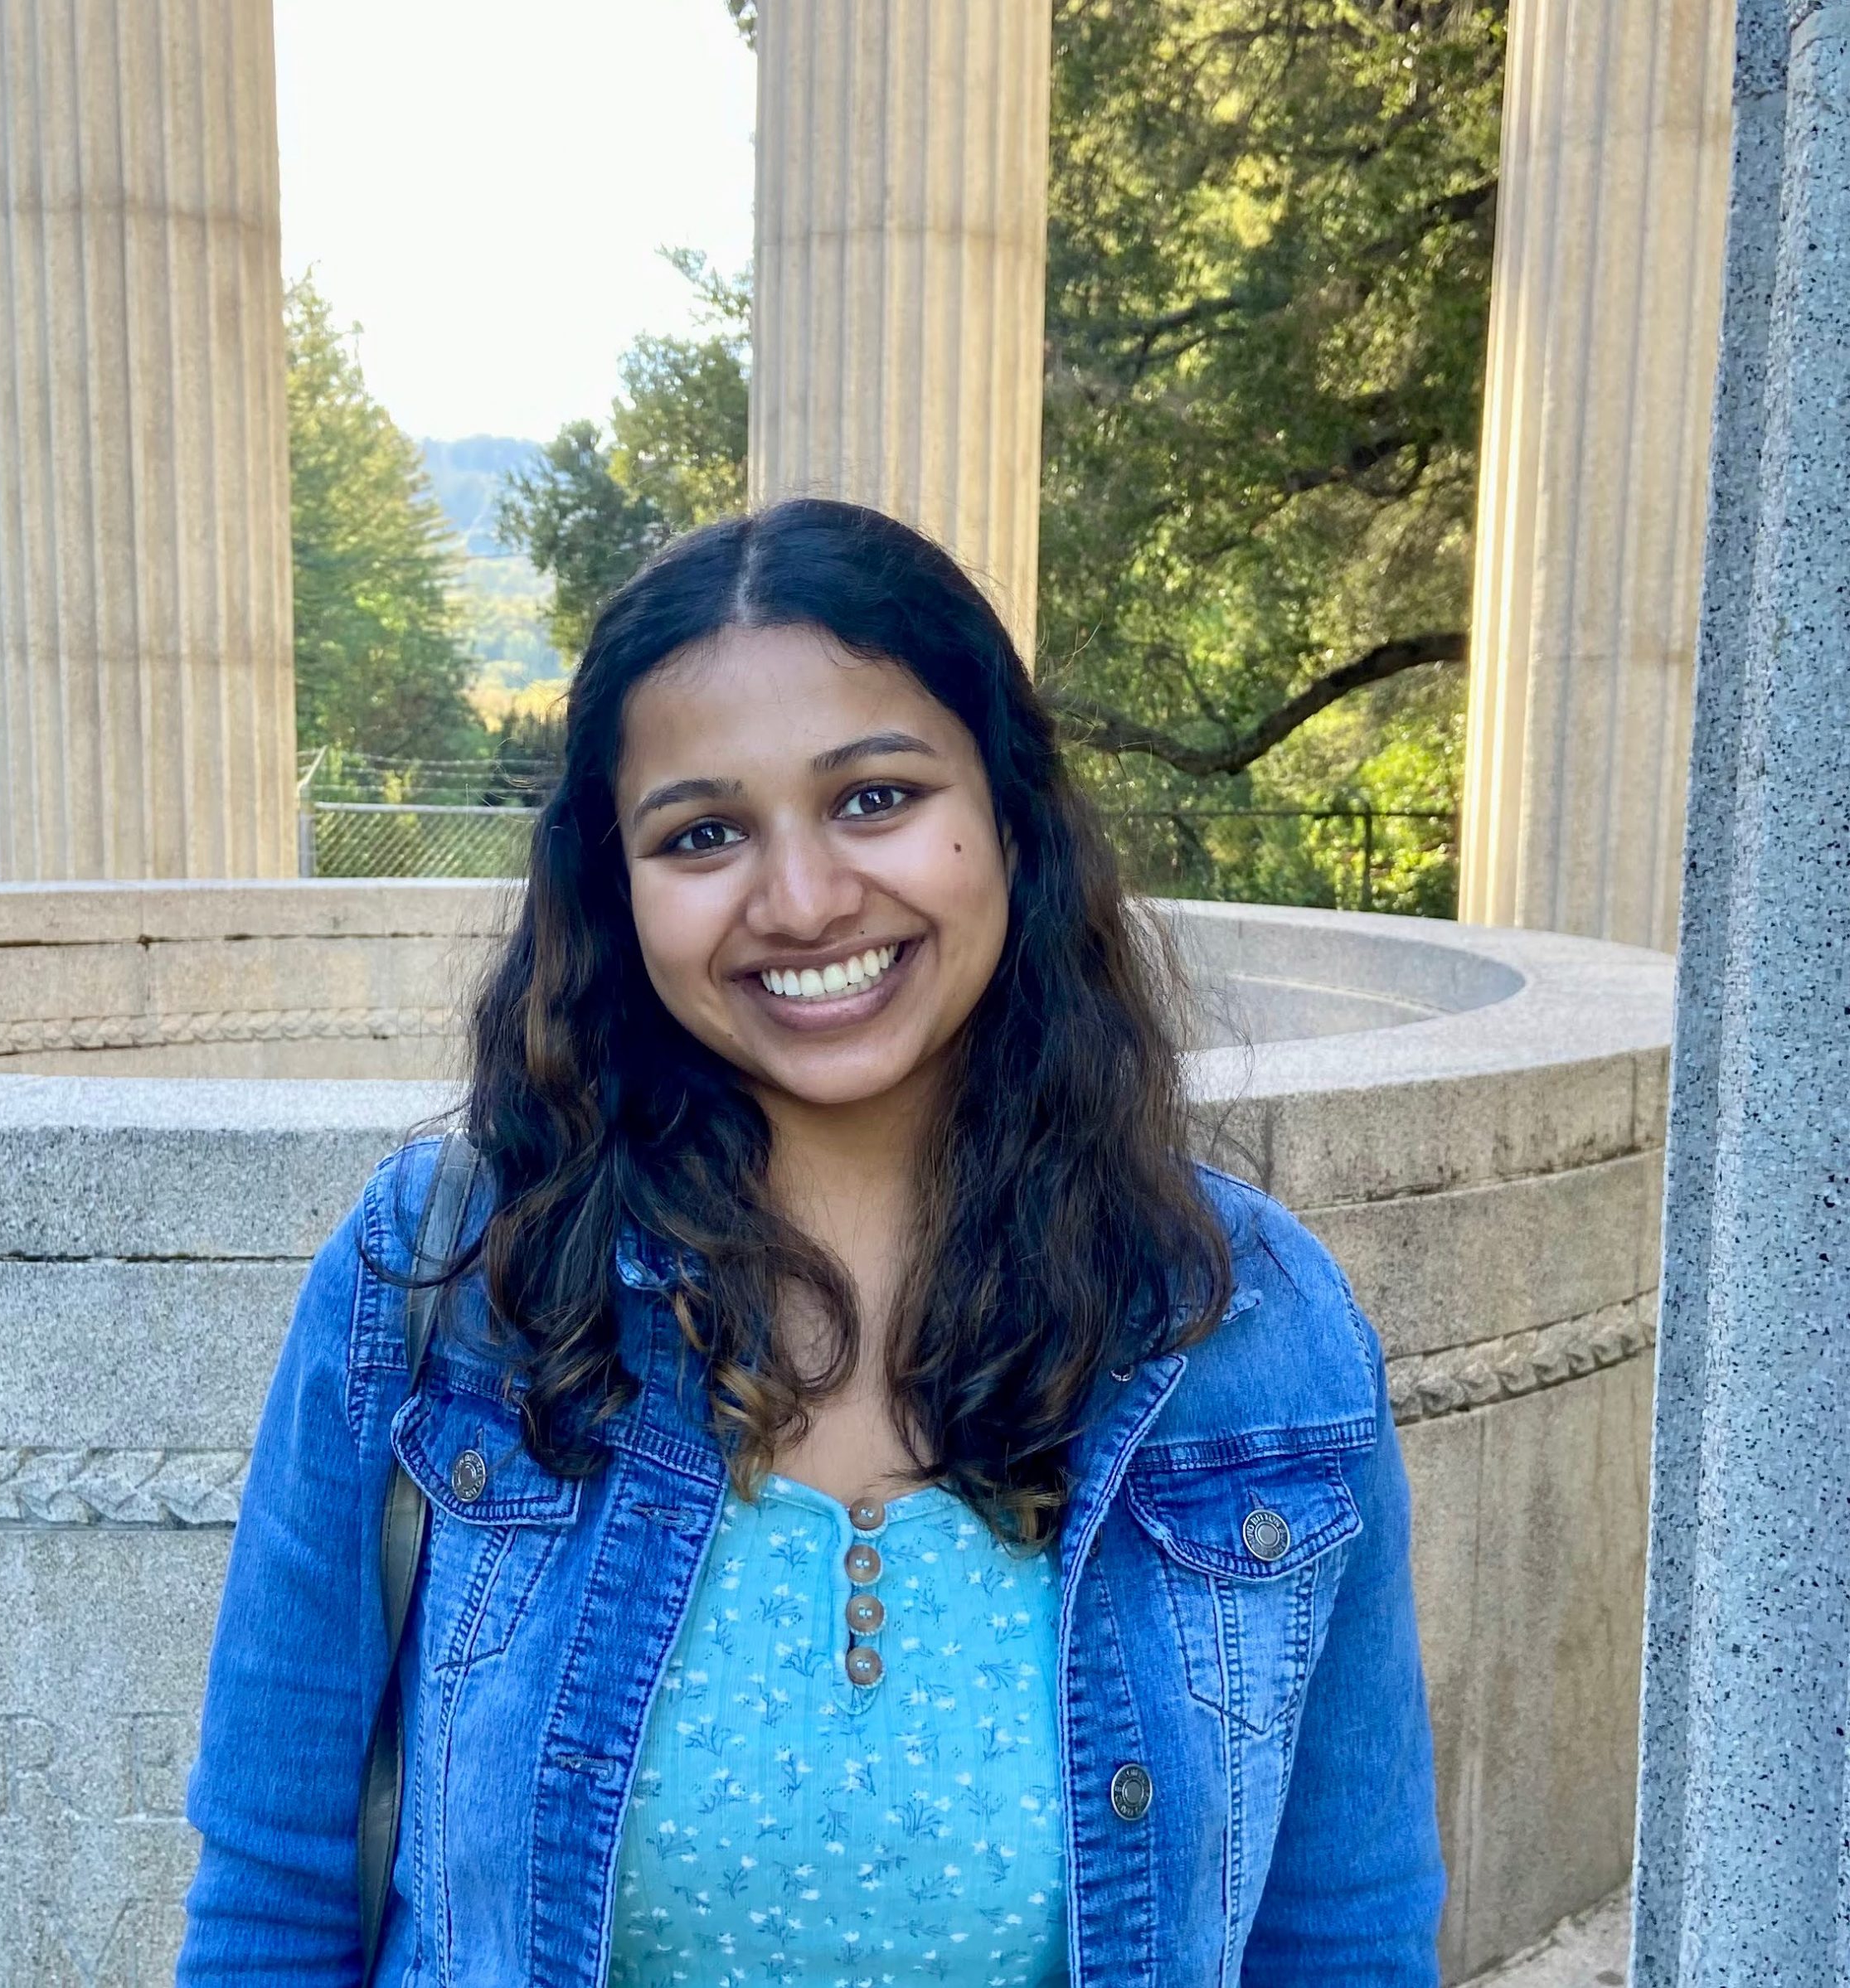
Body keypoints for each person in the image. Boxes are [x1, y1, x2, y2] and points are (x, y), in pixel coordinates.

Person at [176, 499, 1444, 1986]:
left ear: (1009, 813)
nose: (803, 899)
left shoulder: (1251, 1326)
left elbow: (1344, 1941)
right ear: (615, 886)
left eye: (876, 797)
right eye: (703, 833)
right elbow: (271, 1903)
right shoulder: (446, 1278)